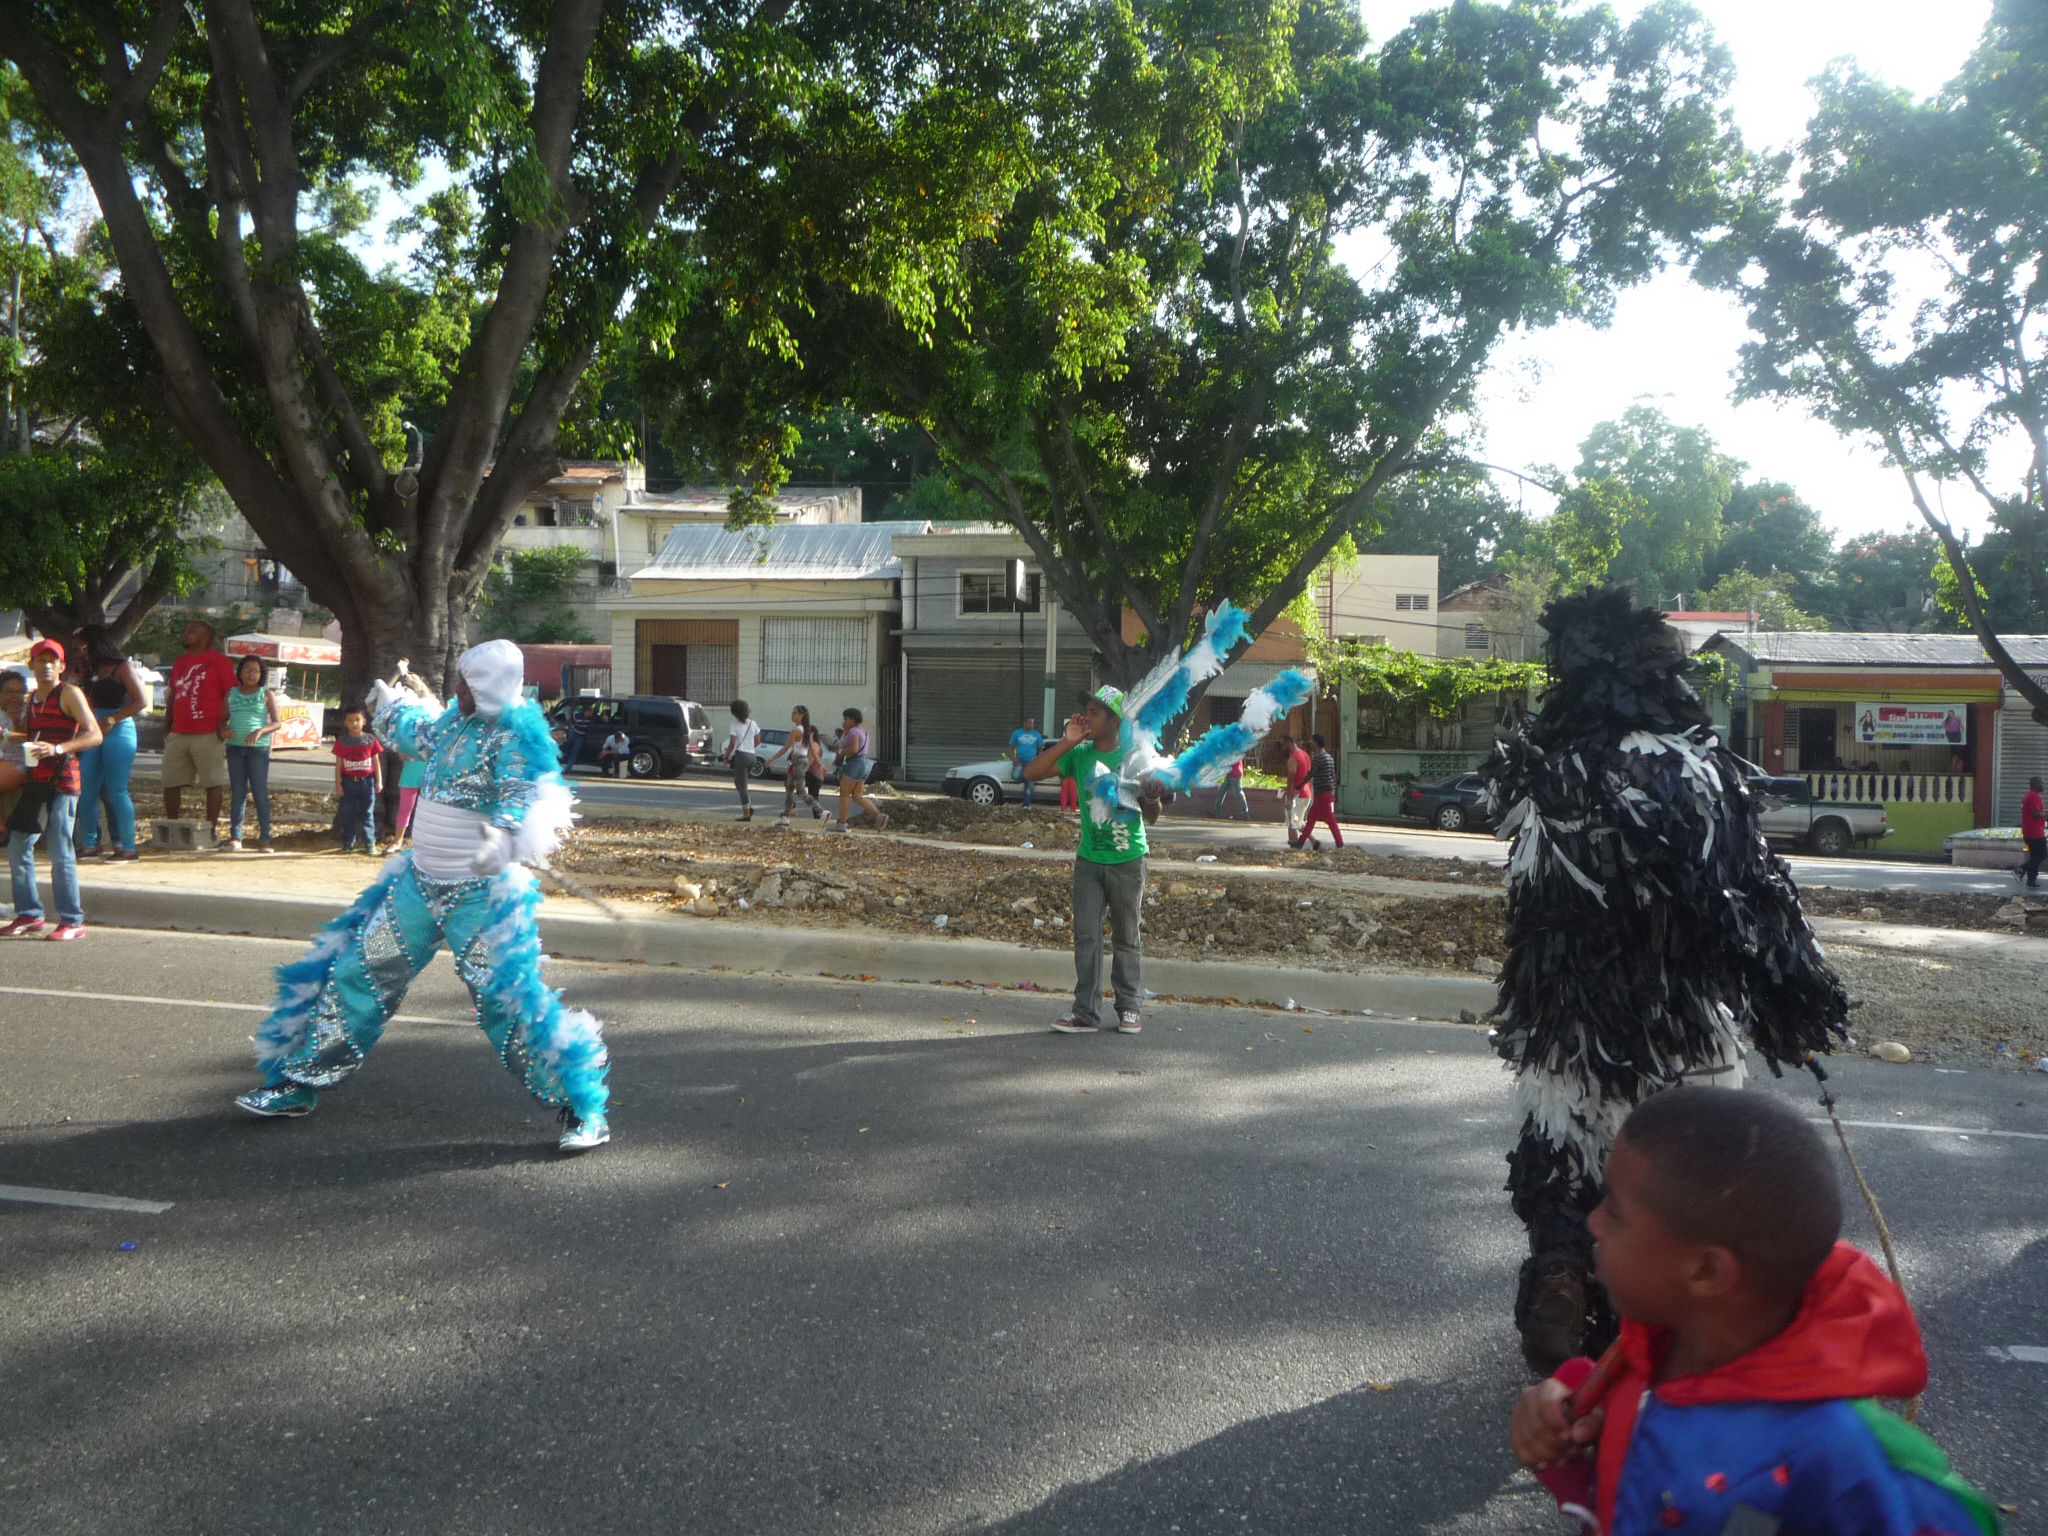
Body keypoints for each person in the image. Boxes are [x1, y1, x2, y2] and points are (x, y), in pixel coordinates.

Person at [1483, 590, 1848, 1372]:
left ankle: (1559, 1273)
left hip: (1566, 1029)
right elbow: (1748, 900)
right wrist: (1794, 1005)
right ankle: (1638, 1345)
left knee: (1560, 1160)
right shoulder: (1700, 772)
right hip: (1682, 1034)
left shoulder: (1541, 776)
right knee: (1672, 1193)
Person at [1511, 1088, 1997, 1536]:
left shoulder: (1844, 1459)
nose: (1592, 1223)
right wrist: (1562, 1410)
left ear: (1705, 1272)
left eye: (1614, 1212)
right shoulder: (1648, 1357)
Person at [233, 639, 611, 1154]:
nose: (458, 690)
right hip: (418, 884)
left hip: (477, 898)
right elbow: (417, 733)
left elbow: (524, 795)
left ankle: (580, 1105)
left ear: (493, 687)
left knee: (507, 1001)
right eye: (460, 682)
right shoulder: (456, 721)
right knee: (358, 975)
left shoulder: (515, 736)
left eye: (469, 683)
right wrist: (390, 706)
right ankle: (299, 1084)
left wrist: (504, 835)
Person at [1023, 686, 1146, 1034]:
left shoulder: (1135, 755)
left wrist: (1152, 794)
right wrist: (1068, 741)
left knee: (1126, 936)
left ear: (1113, 720)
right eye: (1087, 710)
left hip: (1128, 859)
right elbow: (1031, 773)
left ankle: (1129, 1008)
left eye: (1095, 712)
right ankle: (1086, 1012)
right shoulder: (1080, 754)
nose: (1086, 717)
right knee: (1087, 936)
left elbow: (1155, 811)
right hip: (1089, 860)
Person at [3, 638, 102, 940]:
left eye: (52, 661)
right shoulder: (33, 698)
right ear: (31, 665)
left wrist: (59, 748)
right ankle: (30, 914)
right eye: (40, 660)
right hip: (36, 783)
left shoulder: (69, 694)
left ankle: (72, 920)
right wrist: (8, 735)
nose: (46, 665)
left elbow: (94, 734)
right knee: (19, 847)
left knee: (60, 851)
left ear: (61, 666)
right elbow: (34, 738)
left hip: (63, 783)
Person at [73, 627, 147, 862]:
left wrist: (113, 719)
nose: (81, 651)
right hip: (95, 728)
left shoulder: (122, 667)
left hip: (119, 727)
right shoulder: (90, 670)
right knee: (85, 787)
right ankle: (91, 843)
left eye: (84, 646)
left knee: (117, 790)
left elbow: (141, 701)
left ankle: (128, 846)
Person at [162, 618, 237, 841]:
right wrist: (168, 727)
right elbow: (173, 695)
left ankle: (210, 830)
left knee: (212, 782)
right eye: (186, 630)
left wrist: (223, 723)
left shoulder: (219, 661)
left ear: (207, 635)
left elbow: (229, 694)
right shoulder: (180, 661)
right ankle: (172, 828)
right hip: (178, 732)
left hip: (208, 732)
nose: (186, 634)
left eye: (192, 630)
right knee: (170, 782)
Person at [222, 655, 282, 852]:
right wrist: (224, 729)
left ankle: (265, 837)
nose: (251, 674)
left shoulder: (266, 694)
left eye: (255, 671)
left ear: (261, 675)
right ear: (239, 672)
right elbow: (222, 721)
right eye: (247, 670)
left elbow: (277, 722)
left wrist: (260, 731)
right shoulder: (231, 694)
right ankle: (235, 836)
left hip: (258, 750)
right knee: (238, 793)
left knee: (260, 793)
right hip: (234, 748)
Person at [829, 707, 889, 832]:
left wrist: (840, 751)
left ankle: (841, 823)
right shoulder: (864, 731)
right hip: (865, 764)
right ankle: (878, 815)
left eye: (846, 719)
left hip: (855, 763)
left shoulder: (854, 732)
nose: (844, 722)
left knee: (844, 794)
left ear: (853, 719)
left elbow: (854, 749)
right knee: (857, 796)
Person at [332, 707, 382, 853]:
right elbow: (338, 765)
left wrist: (379, 781)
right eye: (350, 721)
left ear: (364, 721)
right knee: (347, 813)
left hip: (366, 782)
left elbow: (376, 762)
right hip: (348, 783)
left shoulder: (371, 740)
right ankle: (348, 843)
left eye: (357, 720)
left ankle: (369, 843)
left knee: (367, 813)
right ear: (345, 723)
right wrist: (338, 784)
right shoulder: (342, 742)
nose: (354, 723)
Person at [771, 705, 825, 826]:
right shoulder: (805, 730)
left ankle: (820, 810)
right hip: (799, 761)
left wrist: (772, 759)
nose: (792, 715)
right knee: (789, 788)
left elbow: (786, 747)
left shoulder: (797, 730)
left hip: (799, 762)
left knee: (800, 791)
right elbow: (811, 749)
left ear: (801, 715)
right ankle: (785, 816)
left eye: (795, 713)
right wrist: (820, 764)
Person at [1297, 733, 1343, 850]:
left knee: (1329, 820)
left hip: (1322, 793)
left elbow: (1311, 773)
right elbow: (1333, 776)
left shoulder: (1318, 757)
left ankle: (1340, 843)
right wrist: (1334, 792)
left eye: (1312, 742)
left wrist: (1300, 784)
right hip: (1327, 793)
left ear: (1316, 743)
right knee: (1312, 818)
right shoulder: (1329, 757)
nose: (1311, 744)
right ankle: (1301, 841)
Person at [725, 699, 762, 822]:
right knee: (738, 782)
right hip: (752, 756)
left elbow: (731, 744)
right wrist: (750, 748)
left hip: (741, 756)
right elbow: (758, 741)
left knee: (742, 786)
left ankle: (746, 813)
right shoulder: (753, 723)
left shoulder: (734, 725)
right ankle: (748, 806)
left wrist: (726, 757)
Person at [0, 670, 27, 827]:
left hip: (19, 761)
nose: (15, 696)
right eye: (9, 692)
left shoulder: (28, 711)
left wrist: (7, 732)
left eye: (19, 692)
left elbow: (29, 737)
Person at [1281, 731, 1313, 849]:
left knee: (1292, 823)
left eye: (1283, 745)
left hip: (1296, 796)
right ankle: (1314, 841)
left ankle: (1294, 848)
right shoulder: (1304, 755)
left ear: (1289, 743)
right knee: (1297, 820)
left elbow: (1291, 777)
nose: (1282, 748)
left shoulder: (1293, 758)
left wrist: (1289, 796)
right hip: (1306, 794)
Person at [1008, 716, 1046, 808]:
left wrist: (1038, 759)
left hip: (1032, 762)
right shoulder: (1017, 733)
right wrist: (1013, 758)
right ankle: (1026, 779)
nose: (1032, 725)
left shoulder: (1036, 734)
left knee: (1029, 786)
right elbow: (1011, 746)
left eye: (1033, 723)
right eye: (1030, 723)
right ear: (1025, 723)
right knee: (1015, 776)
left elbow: (1041, 748)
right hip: (1020, 760)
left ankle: (1026, 804)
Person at [2021, 776, 2046, 889]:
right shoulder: (2034, 796)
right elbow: (2034, 813)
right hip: (2035, 832)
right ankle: (2021, 869)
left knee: (2034, 856)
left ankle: (2031, 880)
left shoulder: (2028, 796)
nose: (2043, 785)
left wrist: (2044, 816)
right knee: (2042, 854)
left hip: (2029, 831)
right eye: (2041, 783)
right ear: (2035, 784)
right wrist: (2045, 815)